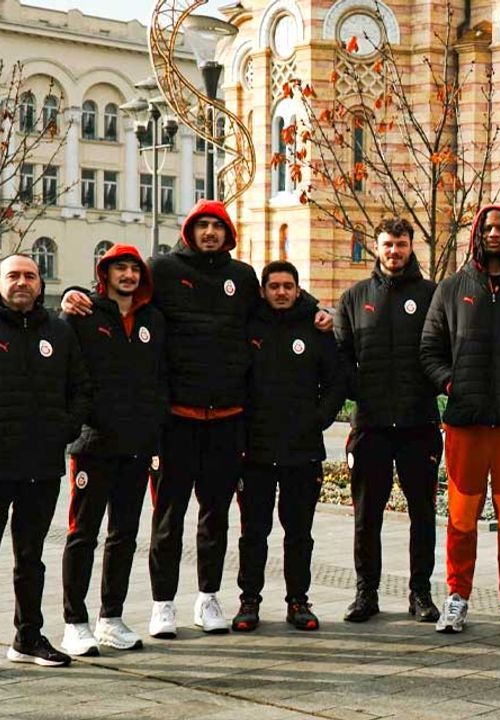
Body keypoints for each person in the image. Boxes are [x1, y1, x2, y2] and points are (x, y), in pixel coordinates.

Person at [63, 200, 299, 638]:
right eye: (202, 225)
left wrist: (315, 309)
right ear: (190, 230)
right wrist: (74, 293)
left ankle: (208, 598)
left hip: (227, 418)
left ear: (228, 233)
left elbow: (276, 306)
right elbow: (123, 298)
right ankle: (162, 604)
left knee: (215, 515)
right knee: (168, 516)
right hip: (176, 420)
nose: (210, 232)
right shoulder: (164, 269)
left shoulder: (242, 276)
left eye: (217, 226)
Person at [420, 205, 500, 634]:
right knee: (461, 518)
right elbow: (429, 349)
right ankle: (457, 596)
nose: (494, 234)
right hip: (466, 425)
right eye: (487, 228)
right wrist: (452, 384)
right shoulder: (452, 288)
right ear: (477, 233)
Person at [334, 217, 443, 624]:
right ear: (376, 247)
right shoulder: (354, 297)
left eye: (400, 244)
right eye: (387, 244)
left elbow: (443, 349)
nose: (394, 251)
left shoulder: (432, 295)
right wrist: (362, 391)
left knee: (423, 515)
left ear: (411, 246)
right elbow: (341, 356)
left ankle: (421, 593)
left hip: (419, 425)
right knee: (367, 515)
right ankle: (366, 592)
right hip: (371, 425)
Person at [60, 245, 166, 657]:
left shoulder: (153, 319)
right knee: (82, 534)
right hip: (93, 444)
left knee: (124, 535)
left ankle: (111, 618)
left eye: (134, 269)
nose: (128, 275)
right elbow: (68, 373)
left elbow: (160, 376)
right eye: (120, 268)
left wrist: (153, 425)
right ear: (105, 274)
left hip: (136, 446)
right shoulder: (83, 314)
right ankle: (74, 622)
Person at [232, 261, 345, 632]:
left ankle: (298, 601)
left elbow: (336, 381)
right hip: (256, 451)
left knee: (299, 533)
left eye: (288, 286)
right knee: (254, 532)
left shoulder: (315, 327)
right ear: (263, 290)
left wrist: (319, 419)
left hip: (303, 450)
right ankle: (249, 600)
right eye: (274, 286)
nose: (281, 292)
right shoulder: (249, 326)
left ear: (298, 290)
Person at [0, 254, 90, 667]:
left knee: (30, 558)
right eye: (13, 275)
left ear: (39, 284)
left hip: (41, 463)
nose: (22, 282)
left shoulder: (59, 330)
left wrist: (65, 429)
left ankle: (28, 637)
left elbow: (81, 387)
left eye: (30, 276)